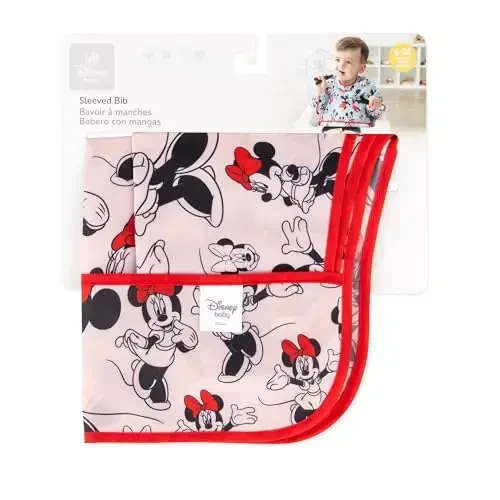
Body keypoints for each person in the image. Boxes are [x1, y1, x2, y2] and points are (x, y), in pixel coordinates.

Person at [312, 37, 385, 133]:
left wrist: (375, 105)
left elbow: (375, 115)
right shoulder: (328, 84)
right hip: (329, 128)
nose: (341, 65)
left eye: (348, 62)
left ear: (361, 68)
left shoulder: (368, 86)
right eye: (337, 60)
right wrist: (320, 92)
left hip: (356, 129)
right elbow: (318, 112)